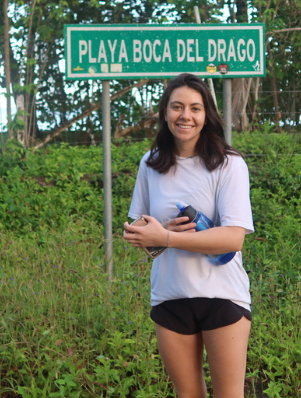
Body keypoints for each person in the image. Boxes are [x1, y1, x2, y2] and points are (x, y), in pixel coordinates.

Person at [123, 73, 254, 398]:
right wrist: (158, 234)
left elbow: (233, 239)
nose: (186, 115)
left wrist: (168, 238)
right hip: (170, 296)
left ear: (207, 114)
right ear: (165, 112)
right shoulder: (151, 164)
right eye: (177, 107)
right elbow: (143, 236)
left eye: (195, 108)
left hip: (222, 296)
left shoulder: (229, 164)